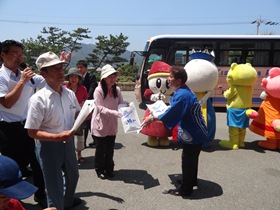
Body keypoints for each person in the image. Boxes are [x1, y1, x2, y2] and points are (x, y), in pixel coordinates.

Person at [24, 51, 82, 209]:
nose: (61, 72)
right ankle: (56, 206)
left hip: (68, 142)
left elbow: (77, 113)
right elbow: (32, 132)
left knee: (73, 176)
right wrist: (57, 137)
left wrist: (87, 114)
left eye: (61, 67)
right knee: (54, 183)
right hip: (48, 145)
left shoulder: (69, 94)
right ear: (43, 73)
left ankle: (66, 203)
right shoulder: (38, 99)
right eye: (54, 69)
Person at [142, 65, 208, 197]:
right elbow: (174, 110)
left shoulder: (182, 95)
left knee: (188, 159)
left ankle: (185, 189)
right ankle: (190, 180)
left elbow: (172, 114)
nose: (168, 79)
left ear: (178, 80)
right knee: (192, 158)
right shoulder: (183, 91)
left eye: (171, 77)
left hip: (194, 133)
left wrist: (152, 118)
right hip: (197, 130)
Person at [0, 40, 46, 207]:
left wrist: (55, 65)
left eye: (20, 54)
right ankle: (13, 202)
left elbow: (46, 80)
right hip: (7, 128)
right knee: (14, 167)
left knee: (37, 162)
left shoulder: (25, 74)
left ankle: (41, 195)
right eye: (14, 53)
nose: (19, 57)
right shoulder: (1, 76)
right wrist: (22, 82)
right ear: (2, 55)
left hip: (25, 125)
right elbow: (7, 103)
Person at [91, 64, 126, 179]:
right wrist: (115, 113)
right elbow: (100, 108)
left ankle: (109, 169)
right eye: (109, 76)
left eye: (114, 76)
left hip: (111, 124)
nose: (112, 78)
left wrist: (128, 106)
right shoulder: (98, 90)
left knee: (110, 149)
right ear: (103, 78)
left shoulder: (117, 90)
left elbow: (121, 103)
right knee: (101, 150)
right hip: (100, 124)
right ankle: (99, 170)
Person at [64, 67, 88, 163]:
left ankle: (79, 154)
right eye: (71, 77)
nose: (73, 79)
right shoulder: (64, 89)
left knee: (80, 137)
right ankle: (70, 155)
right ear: (68, 78)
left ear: (79, 78)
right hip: (67, 116)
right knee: (68, 137)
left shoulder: (83, 89)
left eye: (76, 77)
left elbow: (86, 100)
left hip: (79, 115)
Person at [76, 60, 98, 147]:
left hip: (90, 102)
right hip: (81, 103)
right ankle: (85, 142)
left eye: (81, 67)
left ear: (86, 68)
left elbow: (92, 88)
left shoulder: (91, 76)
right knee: (85, 123)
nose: (79, 69)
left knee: (89, 123)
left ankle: (91, 141)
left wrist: (86, 99)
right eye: (78, 67)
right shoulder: (77, 77)